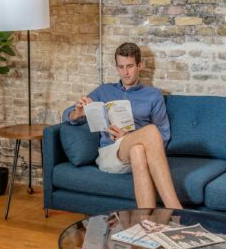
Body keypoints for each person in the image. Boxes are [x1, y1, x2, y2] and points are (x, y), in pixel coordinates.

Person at [63, 42, 182, 210]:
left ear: (140, 66)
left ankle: (146, 223)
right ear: (117, 67)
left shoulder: (153, 95)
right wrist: (78, 112)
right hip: (111, 153)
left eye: (130, 66)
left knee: (138, 149)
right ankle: (177, 211)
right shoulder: (104, 90)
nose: (125, 72)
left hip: (138, 154)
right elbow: (67, 116)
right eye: (121, 67)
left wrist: (128, 138)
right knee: (150, 131)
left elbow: (163, 135)